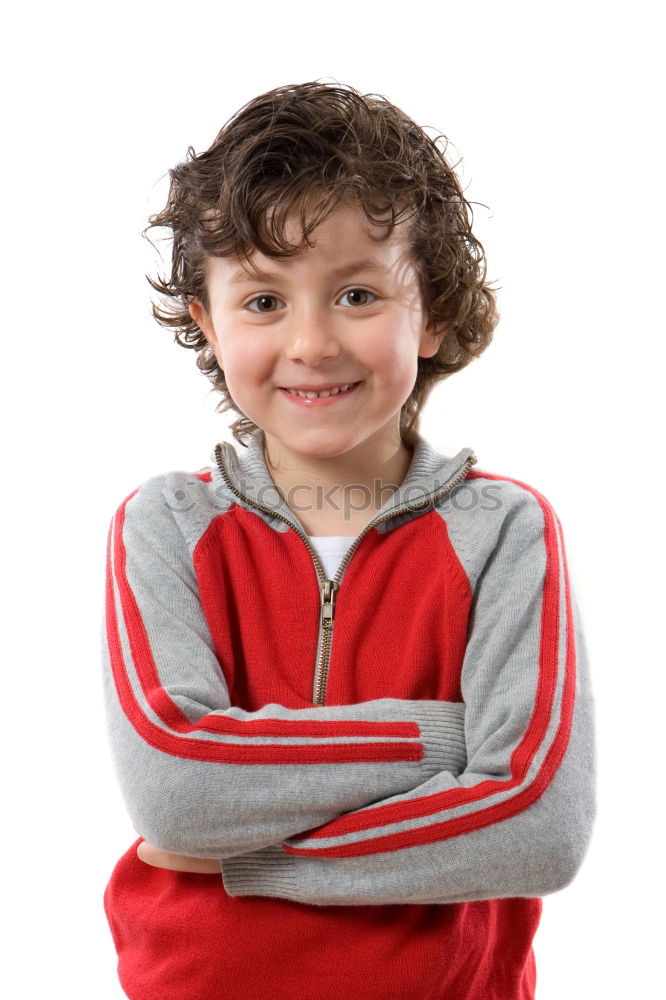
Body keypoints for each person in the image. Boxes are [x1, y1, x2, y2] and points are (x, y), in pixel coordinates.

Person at [100, 80, 596, 1000]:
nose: (312, 342)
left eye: (357, 292)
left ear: (434, 313)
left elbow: (539, 826)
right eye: (262, 302)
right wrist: (447, 739)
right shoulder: (166, 524)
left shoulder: (502, 531)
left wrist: (252, 861)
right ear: (206, 322)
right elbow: (175, 792)